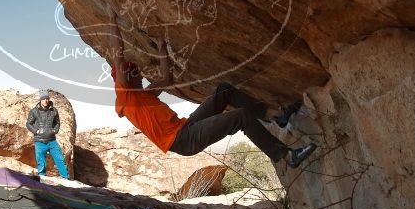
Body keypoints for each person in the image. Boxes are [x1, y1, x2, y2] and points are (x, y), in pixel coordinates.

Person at [107, 9, 317, 168]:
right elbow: (118, 55)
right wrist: (112, 19)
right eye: (133, 73)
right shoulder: (125, 97)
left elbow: (167, 79)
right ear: (125, 78)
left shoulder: (144, 95)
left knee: (224, 91)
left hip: (185, 128)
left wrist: (162, 47)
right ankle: (288, 156)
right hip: (182, 140)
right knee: (240, 117)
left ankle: (275, 116)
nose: (139, 75)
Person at [26, 90, 70, 179]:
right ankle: (42, 178)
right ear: (40, 100)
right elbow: (28, 124)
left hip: (52, 141)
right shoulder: (34, 111)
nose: (45, 100)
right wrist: (36, 131)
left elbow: (57, 122)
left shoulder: (54, 110)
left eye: (47, 98)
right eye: (43, 99)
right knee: (41, 162)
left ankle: (66, 178)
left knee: (60, 160)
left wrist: (55, 130)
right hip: (39, 141)